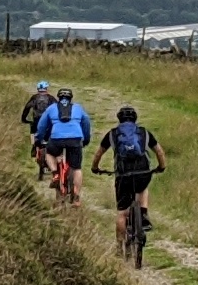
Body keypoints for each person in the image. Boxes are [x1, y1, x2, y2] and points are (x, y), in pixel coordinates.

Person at [91, 104, 163, 249]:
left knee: (122, 213)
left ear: (119, 119)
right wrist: (161, 167)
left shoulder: (112, 134)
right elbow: (159, 152)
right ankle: (143, 214)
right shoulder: (144, 132)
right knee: (143, 188)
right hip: (142, 172)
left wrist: (95, 168)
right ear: (135, 119)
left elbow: (99, 153)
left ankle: (119, 246)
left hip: (123, 175)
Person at [38, 85, 92, 202]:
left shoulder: (52, 108)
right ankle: (76, 196)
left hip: (56, 139)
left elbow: (41, 125)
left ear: (58, 97)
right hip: (75, 140)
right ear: (71, 98)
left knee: (49, 153)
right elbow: (86, 121)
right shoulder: (78, 108)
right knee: (76, 168)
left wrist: (39, 138)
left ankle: (55, 173)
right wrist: (86, 138)